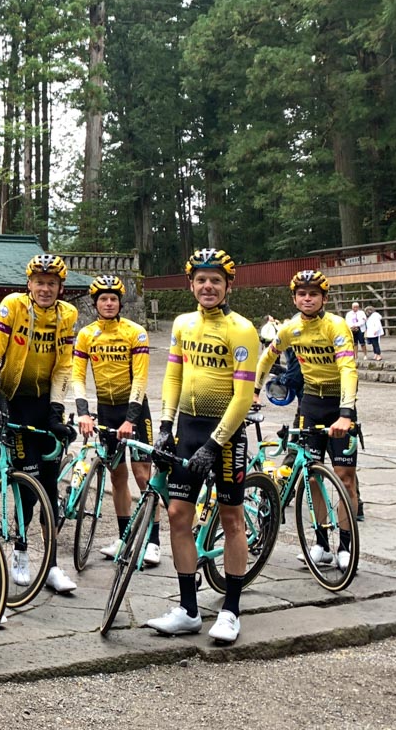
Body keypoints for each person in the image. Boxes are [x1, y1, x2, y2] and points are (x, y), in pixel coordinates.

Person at [146, 248, 259, 644]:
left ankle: (230, 609)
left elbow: (243, 396)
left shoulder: (242, 329)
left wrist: (215, 444)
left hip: (224, 436)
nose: (207, 286)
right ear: (190, 283)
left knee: (231, 519)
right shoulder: (182, 324)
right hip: (187, 430)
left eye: (216, 280)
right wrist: (163, 424)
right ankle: (189, 609)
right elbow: (173, 376)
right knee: (178, 514)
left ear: (229, 285)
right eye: (201, 279)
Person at [0, 254, 78, 595]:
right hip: (15, 402)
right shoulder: (13, 306)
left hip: (44, 406)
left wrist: (57, 411)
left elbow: (64, 366)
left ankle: (51, 564)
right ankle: (20, 551)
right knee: (27, 483)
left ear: (60, 288)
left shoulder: (68, 315)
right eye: (39, 282)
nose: (45, 288)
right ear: (29, 284)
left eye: (52, 283)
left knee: (50, 488)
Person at [254, 270, 359, 571]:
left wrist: (346, 414)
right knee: (312, 474)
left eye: (314, 294)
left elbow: (348, 369)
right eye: (302, 294)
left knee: (345, 477)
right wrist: (255, 391)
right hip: (311, 403)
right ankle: (322, 544)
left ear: (324, 298)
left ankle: (347, 545)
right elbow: (266, 357)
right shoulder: (290, 328)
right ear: (295, 298)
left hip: (339, 402)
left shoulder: (336, 326)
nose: (308, 298)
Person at [72, 275, 161, 565]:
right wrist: (83, 412)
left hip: (134, 409)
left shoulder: (135, 332)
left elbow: (142, 379)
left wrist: (131, 420)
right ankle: (124, 539)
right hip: (107, 410)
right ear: (95, 303)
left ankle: (153, 542)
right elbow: (76, 376)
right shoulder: (87, 334)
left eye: (113, 299)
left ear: (120, 302)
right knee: (117, 476)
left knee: (142, 475)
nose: (108, 303)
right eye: (103, 299)